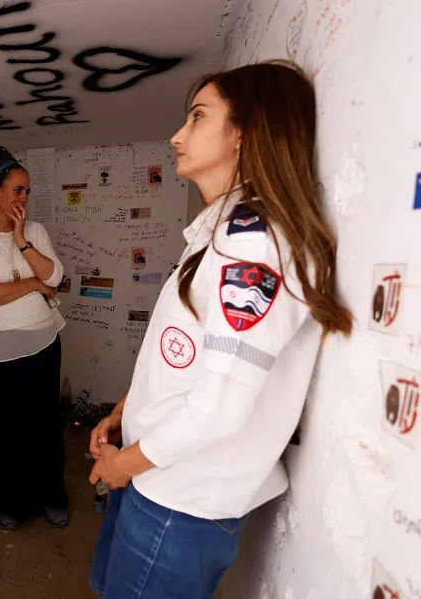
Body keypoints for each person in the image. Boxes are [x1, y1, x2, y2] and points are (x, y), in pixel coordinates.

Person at [88, 61, 353, 598]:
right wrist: (125, 411)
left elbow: (220, 407)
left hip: (179, 500)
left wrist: (123, 467)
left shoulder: (255, 242)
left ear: (244, 133)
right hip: (157, 477)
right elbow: (184, 360)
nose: (177, 135)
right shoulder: (223, 230)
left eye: (198, 117)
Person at [0, 146, 69, 531]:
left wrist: (22, 239)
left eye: (27, 191)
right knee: (4, 427)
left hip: (43, 342)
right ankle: (7, 500)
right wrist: (33, 283)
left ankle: (51, 496)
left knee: (45, 423)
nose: (24, 198)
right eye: (18, 190)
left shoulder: (35, 231)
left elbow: (55, 277)